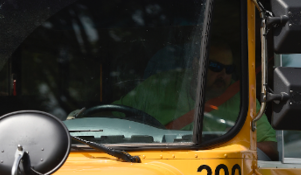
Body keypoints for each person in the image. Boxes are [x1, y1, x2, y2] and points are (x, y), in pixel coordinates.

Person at [118, 44, 279, 160]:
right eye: (216, 66)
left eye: (229, 69)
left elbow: (271, 148)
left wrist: (237, 142)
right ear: (196, 63)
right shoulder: (159, 85)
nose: (223, 75)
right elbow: (112, 116)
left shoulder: (242, 98)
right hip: (146, 163)